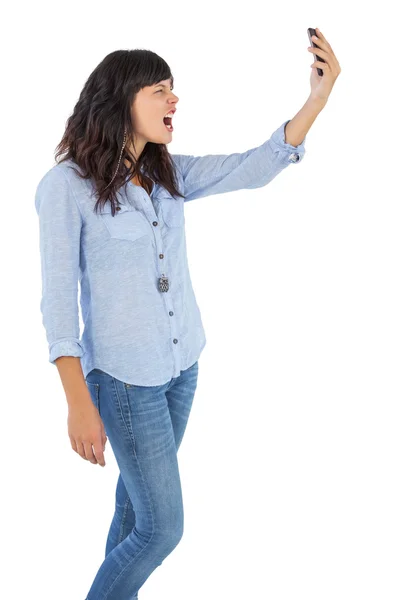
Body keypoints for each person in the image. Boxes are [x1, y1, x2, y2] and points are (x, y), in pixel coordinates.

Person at [34, 32, 340, 600]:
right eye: (160, 90)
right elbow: (57, 304)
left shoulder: (167, 173)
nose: (174, 100)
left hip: (182, 367)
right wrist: (78, 402)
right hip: (125, 382)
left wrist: (316, 101)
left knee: (135, 512)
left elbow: (253, 166)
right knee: (162, 529)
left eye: (173, 89)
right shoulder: (65, 188)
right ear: (121, 100)